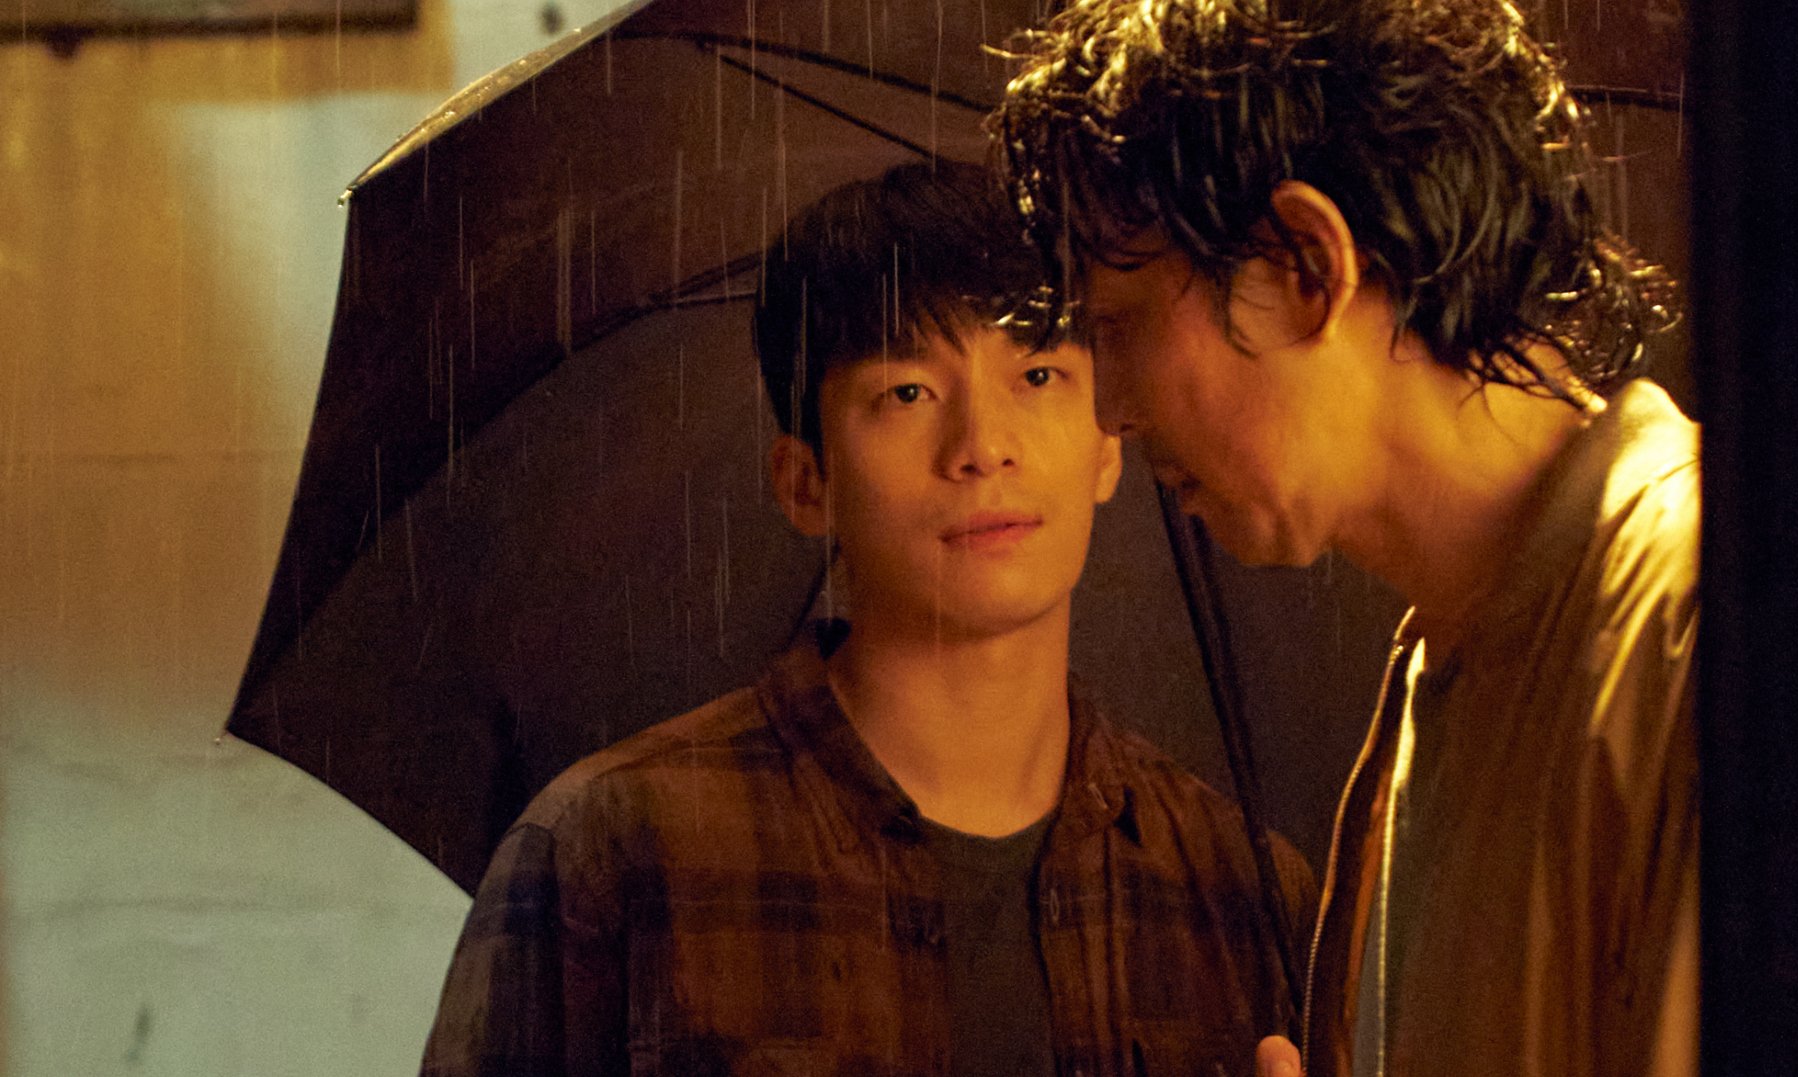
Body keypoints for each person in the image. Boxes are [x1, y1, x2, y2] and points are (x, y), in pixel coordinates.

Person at [417, 160, 1313, 1077]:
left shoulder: (1243, 890)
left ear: (1110, 440)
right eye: (907, 393)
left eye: (1038, 374)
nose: (983, 447)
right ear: (805, 482)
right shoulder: (613, 852)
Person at [992, 2, 1699, 1075]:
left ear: (1305, 266)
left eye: (1120, 324)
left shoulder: (1688, 623)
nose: (1111, 412)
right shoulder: (1436, 678)